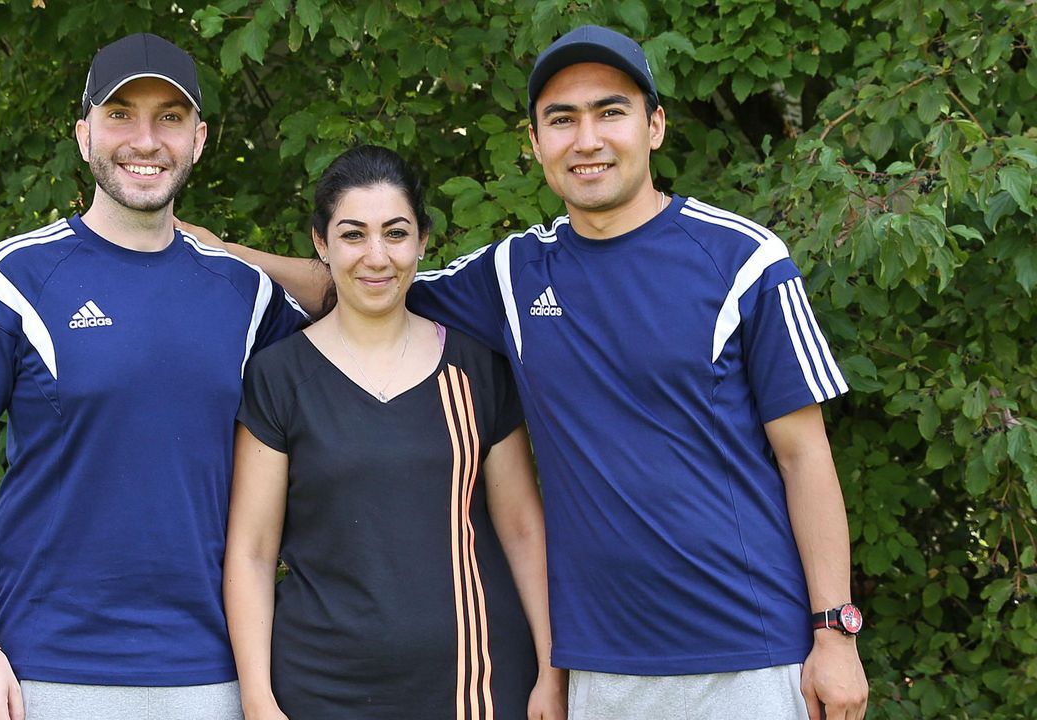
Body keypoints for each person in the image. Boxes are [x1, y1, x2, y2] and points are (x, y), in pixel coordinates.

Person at [197, 25, 869, 720]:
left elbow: (806, 456)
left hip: (747, 650)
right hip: (597, 664)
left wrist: (834, 631)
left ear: (655, 125)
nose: (587, 140)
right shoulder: (517, 275)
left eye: (610, 112)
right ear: (536, 142)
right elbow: (373, 283)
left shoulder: (743, 261)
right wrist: (216, 254)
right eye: (561, 119)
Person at [0, 33, 305, 720]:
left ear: (200, 139)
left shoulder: (246, 295)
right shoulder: (12, 280)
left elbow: (366, 299)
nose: (145, 140)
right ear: (83, 132)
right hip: (45, 671)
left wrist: (229, 249)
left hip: (212, 674)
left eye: (170, 118)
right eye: (121, 114)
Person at [222, 145, 567, 719]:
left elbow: (524, 531)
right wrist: (258, 697)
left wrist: (551, 671)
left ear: (423, 242)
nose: (376, 257)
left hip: (475, 684)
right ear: (321, 243)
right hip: (319, 690)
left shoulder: (476, 368)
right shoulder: (279, 376)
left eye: (396, 233)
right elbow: (253, 552)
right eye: (353, 234)